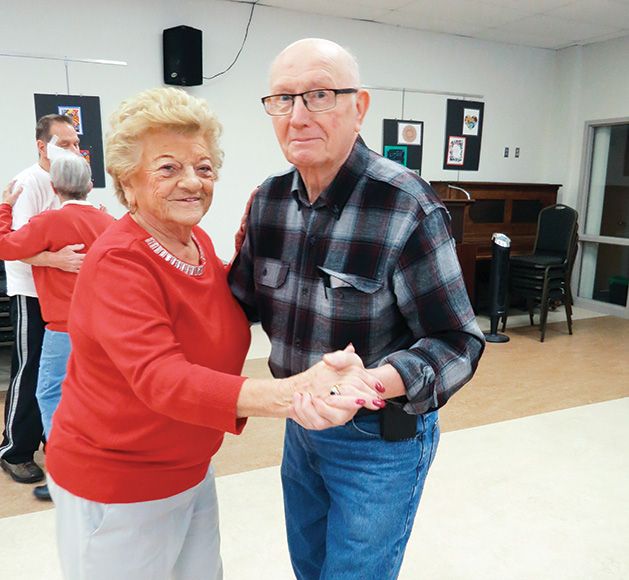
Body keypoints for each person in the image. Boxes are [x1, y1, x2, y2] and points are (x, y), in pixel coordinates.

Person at [44, 87, 383, 580]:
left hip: (189, 469)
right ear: (127, 181)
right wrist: (292, 393)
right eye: (168, 168)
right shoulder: (121, 261)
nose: (192, 182)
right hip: (116, 484)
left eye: (203, 168)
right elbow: (163, 379)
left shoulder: (195, 242)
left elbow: (222, 309)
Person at [228, 38, 486, 579]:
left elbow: (458, 341)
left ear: (359, 106)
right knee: (310, 566)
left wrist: (364, 384)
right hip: (300, 426)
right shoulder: (270, 201)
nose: (297, 116)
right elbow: (235, 305)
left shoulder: (407, 204)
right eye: (282, 99)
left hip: (379, 441)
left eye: (318, 95)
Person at [0, 155, 114, 501]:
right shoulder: (108, 221)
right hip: (102, 331)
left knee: (51, 396)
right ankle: (99, 469)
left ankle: (66, 476)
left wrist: (5, 206)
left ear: (53, 186)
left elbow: (5, 244)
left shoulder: (48, 221)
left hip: (63, 331)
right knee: (94, 400)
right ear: (91, 186)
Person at [0, 114, 85, 486]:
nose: (72, 150)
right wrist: (56, 259)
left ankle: (53, 440)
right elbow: (14, 246)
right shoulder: (29, 182)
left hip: (62, 296)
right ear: (42, 145)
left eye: (74, 143)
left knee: (59, 374)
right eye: (64, 144)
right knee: (30, 368)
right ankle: (15, 451)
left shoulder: (68, 181)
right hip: (30, 292)